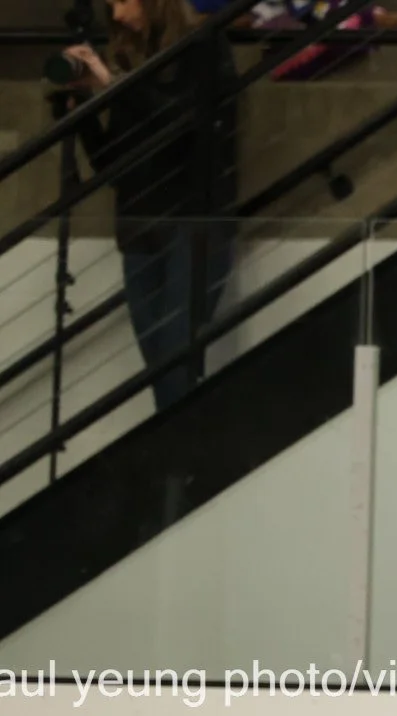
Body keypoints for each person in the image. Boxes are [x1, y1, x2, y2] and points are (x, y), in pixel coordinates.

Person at [62, 0, 239, 412]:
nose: (117, 16)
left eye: (124, 1)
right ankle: (181, 450)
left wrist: (117, 84)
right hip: (139, 226)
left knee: (174, 361)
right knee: (160, 367)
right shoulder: (128, 59)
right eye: (111, 5)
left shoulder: (203, 47)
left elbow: (187, 125)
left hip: (195, 221)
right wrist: (84, 109)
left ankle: (176, 452)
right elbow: (112, 164)